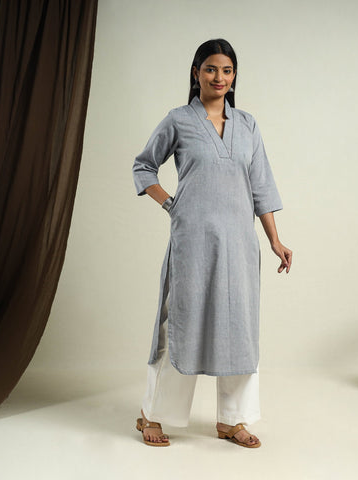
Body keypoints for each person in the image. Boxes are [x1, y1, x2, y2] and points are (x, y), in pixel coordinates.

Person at [132, 39, 292, 448]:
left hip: (239, 244)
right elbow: (144, 165)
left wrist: (275, 240)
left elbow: (261, 186)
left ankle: (233, 420)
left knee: (239, 327)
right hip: (193, 241)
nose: (219, 77)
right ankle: (154, 414)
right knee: (181, 322)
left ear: (234, 76)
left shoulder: (248, 125)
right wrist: (171, 204)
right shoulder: (178, 120)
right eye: (210, 69)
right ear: (196, 73)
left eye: (227, 70)